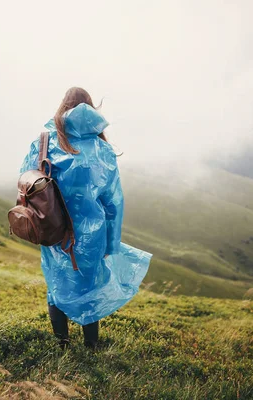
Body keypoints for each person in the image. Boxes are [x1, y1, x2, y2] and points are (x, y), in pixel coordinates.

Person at [19, 87, 152, 349]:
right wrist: (111, 244)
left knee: (56, 283)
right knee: (90, 288)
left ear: (62, 107)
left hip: (53, 228)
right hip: (92, 234)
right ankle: (91, 345)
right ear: (92, 109)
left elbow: (26, 180)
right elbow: (113, 201)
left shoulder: (44, 141)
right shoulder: (103, 149)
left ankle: (62, 343)